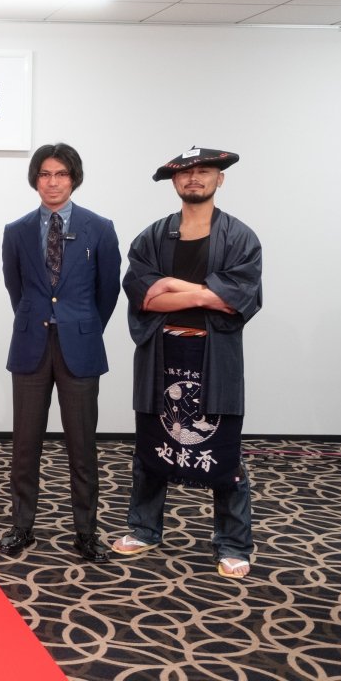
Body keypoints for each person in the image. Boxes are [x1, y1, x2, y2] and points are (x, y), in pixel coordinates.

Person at [111, 148, 262, 581]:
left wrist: (175, 288)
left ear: (220, 179)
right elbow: (144, 296)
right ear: (175, 182)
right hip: (162, 350)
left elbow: (236, 300)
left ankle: (233, 542)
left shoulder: (240, 237)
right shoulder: (153, 237)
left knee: (224, 450)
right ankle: (144, 528)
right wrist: (204, 293)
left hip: (214, 353)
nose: (194, 178)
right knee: (151, 441)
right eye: (185, 173)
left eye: (204, 171)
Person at [0, 143, 121, 563]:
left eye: (61, 174)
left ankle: (86, 531)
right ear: (35, 179)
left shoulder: (99, 228)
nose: (53, 182)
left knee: (82, 446)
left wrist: (80, 325)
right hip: (30, 345)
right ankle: (21, 526)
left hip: (80, 348)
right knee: (24, 444)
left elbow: (107, 292)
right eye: (45, 174)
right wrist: (40, 319)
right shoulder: (16, 230)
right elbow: (16, 289)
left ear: (74, 178)